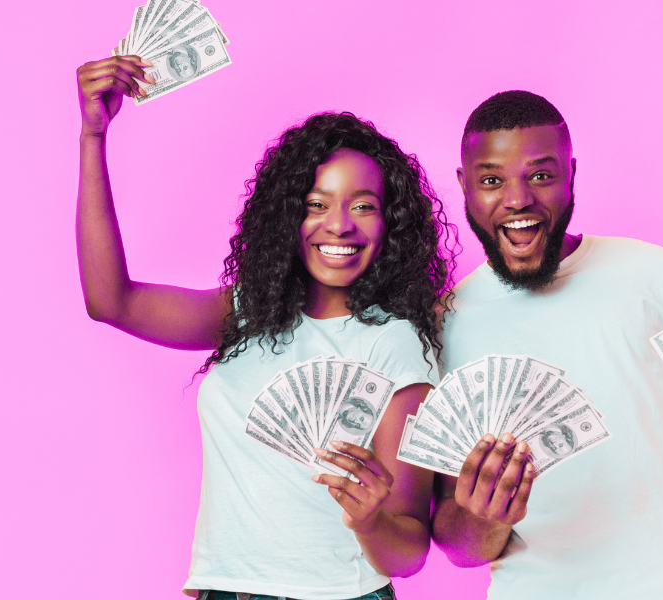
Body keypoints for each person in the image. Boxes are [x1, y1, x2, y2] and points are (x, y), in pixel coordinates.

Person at [75, 55, 454, 600]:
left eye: (363, 205)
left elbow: (409, 551)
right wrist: (93, 136)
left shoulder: (395, 344)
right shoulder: (247, 313)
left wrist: (372, 520)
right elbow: (111, 301)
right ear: (286, 217)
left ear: (391, 222)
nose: (339, 224)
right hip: (224, 591)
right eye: (315, 204)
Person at [431, 91, 663, 599]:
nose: (517, 200)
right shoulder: (443, 328)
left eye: (541, 175)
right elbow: (456, 542)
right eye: (492, 180)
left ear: (571, 174)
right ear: (464, 187)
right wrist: (484, 517)